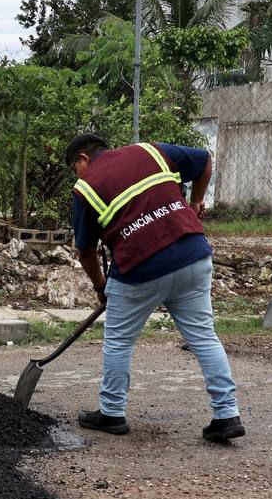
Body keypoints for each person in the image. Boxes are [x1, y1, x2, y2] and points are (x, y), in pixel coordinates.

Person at [66, 133, 244, 444]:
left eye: (74, 169)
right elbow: (204, 161)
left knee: (119, 341)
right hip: (192, 255)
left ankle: (112, 413)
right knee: (204, 336)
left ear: (83, 159)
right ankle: (227, 414)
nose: (77, 176)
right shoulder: (149, 151)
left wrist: (101, 287)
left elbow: (86, 252)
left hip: (141, 267)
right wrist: (195, 202)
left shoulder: (85, 187)